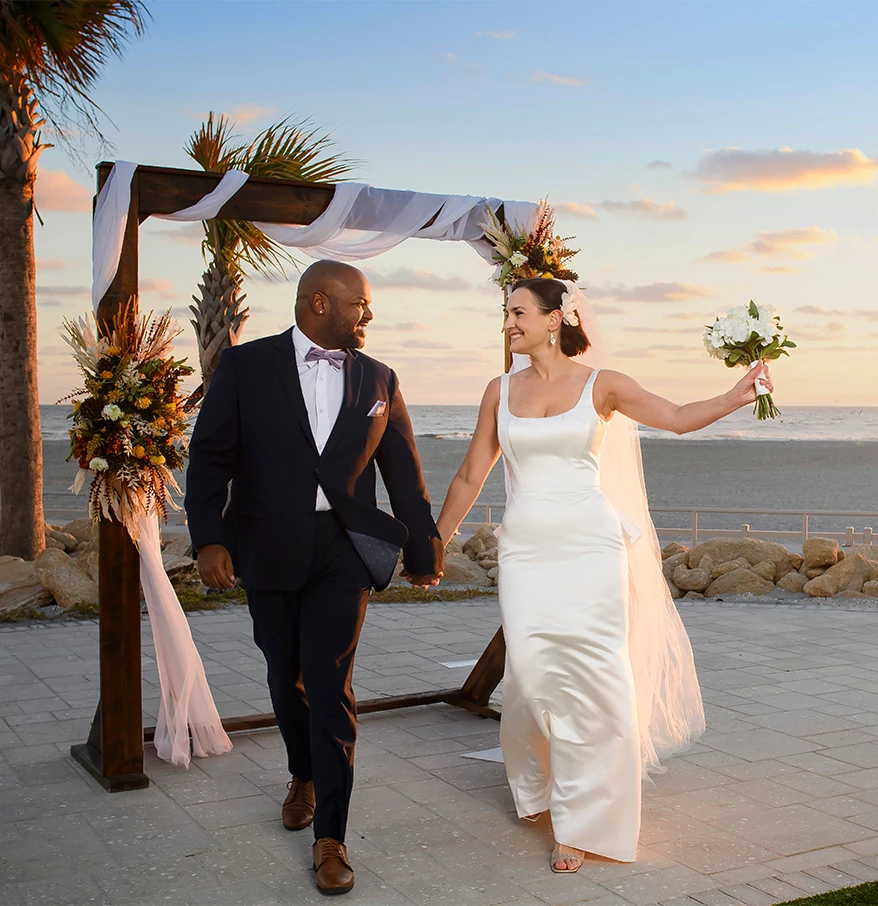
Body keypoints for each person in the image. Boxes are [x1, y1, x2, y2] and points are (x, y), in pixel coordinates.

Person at [435, 277, 773, 871]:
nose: (508, 323)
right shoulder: (499, 389)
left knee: (592, 682)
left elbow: (674, 417)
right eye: (505, 313)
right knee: (533, 680)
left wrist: (734, 396)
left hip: (590, 548)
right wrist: (435, 542)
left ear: (554, 319)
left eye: (517, 312)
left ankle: (583, 822)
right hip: (526, 552)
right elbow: (470, 474)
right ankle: (541, 787)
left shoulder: (603, 385)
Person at [185, 260, 443, 895]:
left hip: (342, 552)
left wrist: (423, 550)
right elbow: (210, 457)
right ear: (320, 303)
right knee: (285, 674)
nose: (369, 315)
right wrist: (209, 538)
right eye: (362, 304)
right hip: (266, 545)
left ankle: (332, 837)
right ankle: (301, 771)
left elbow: (404, 472)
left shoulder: (380, 378)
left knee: (330, 686)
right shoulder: (244, 368)